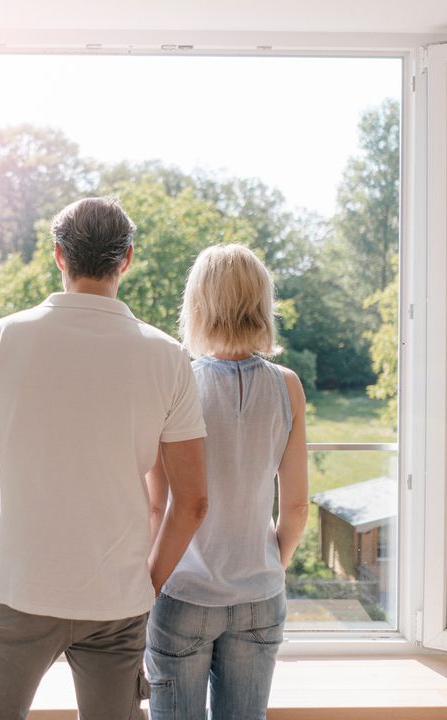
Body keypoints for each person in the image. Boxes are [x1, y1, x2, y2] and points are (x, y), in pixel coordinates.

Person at [0, 196, 210, 720]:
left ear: (58, 256)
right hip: (116, 599)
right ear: (127, 259)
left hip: (18, 588)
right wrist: (149, 582)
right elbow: (193, 500)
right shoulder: (166, 357)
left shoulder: (1, 338)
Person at [145, 244, 310, 720]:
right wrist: (265, 567)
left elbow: (159, 508)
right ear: (262, 306)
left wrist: (147, 585)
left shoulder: (179, 383)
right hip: (260, 596)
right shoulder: (288, 386)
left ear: (197, 306)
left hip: (184, 594)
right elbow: (296, 507)